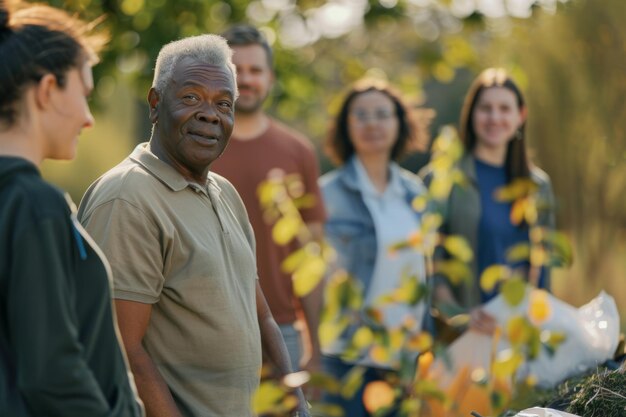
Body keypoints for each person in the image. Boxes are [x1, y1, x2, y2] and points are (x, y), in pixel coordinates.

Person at [78, 34, 309, 417]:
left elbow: (261, 315)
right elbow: (121, 348)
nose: (210, 114)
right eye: (190, 97)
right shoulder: (128, 197)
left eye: (223, 103)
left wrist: (296, 403)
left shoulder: (225, 193)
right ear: (155, 104)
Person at [0, 2, 144, 416]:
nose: (88, 119)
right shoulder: (33, 205)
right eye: (83, 94)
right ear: (47, 90)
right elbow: (52, 373)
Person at [211, 24, 326, 373]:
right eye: (235, 69)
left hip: (283, 331)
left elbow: (311, 257)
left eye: (255, 70)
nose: (245, 79)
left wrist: (316, 345)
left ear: (271, 78)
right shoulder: (193, 146)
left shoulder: (298, 152)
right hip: (204, 331)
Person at [318, 78, 430, 417]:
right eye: (360, 115)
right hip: (346, 357)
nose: (372, 123)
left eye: (382, 114)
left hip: (404, 359)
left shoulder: (415, 193)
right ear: (345, 127)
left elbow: (425, 275)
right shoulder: (327, 194)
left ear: (399, 123)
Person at [420, 68, 556, 335]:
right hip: (461, 335)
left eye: (504, 108)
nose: (495, 117)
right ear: (471, 114)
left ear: (521, 116)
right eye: (486, 108)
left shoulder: (538, 186)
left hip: (520, 337)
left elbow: (543, 272)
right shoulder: (442, 180)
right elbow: (427, 265)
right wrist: (461, 317)